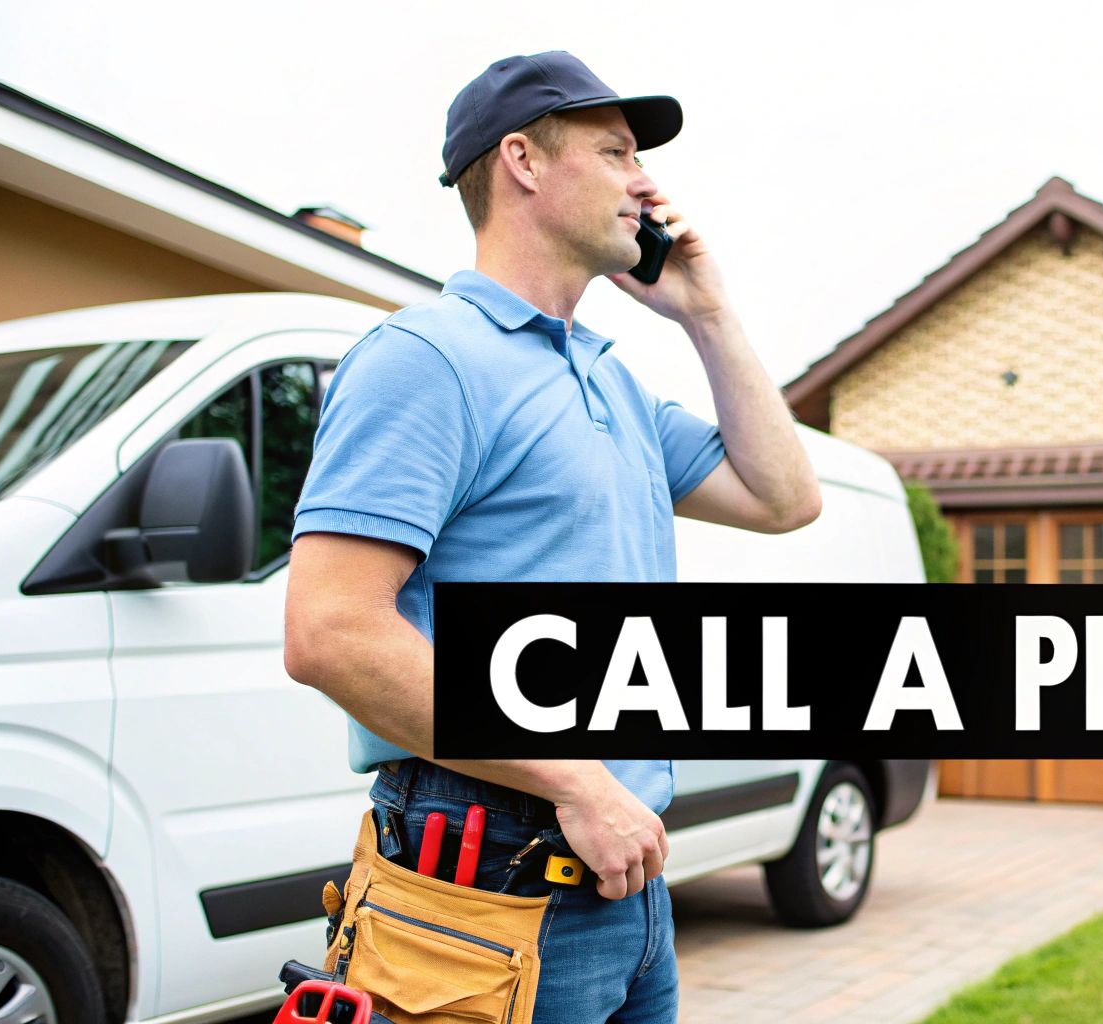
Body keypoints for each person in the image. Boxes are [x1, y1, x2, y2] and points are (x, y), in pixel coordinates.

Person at [282, 50, 821, 1023]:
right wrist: (575, 780)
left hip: (626, 884)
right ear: (522, 161)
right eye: (616, 153)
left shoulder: (611, 382)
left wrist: (707, 312)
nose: (644, 184)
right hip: (486, 883)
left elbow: (784, 498)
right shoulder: (426, 359)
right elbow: (331, 632)